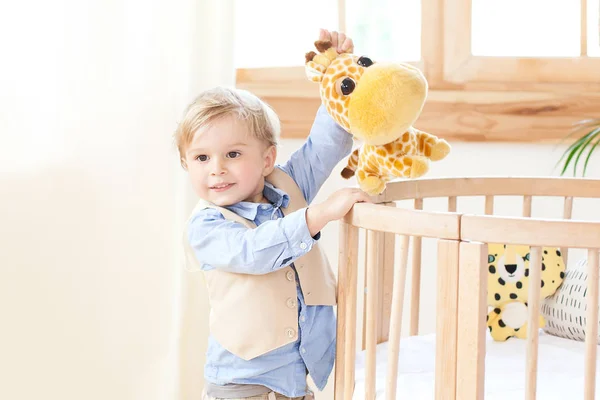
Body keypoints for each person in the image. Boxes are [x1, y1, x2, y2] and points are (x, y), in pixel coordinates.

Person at [175, 29, 371, 400]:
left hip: (298, 375)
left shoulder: (287, 186)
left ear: (266, 159)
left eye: (232, 154)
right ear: (186, 164)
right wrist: (319, 215)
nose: (216, 169)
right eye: (202, 158)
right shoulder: (206, 225)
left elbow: (323, 148)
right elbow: (253, 251)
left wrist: (340, 77)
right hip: (241, 380)